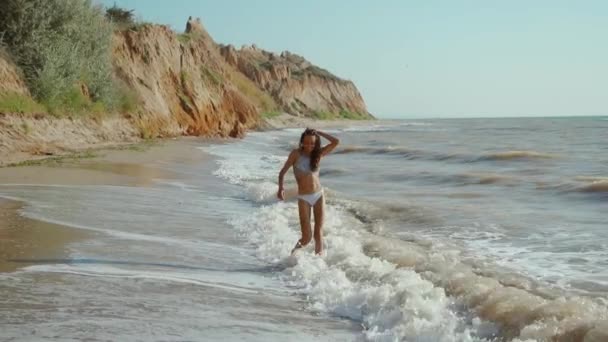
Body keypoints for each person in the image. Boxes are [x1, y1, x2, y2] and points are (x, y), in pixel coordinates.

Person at [277, 128, 340, 255]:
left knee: (318, 234)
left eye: (312, 143)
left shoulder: (318, 154)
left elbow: (336, 141)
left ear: (316, 143)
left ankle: (319, 263)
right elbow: (282, 171)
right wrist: (280, 188)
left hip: (318, 195)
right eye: (306, 142)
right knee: (307, 237)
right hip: (303, 198)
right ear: (302, 142)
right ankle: (292, 256)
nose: (309, 145)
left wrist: (320, 133)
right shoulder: (296, 154)